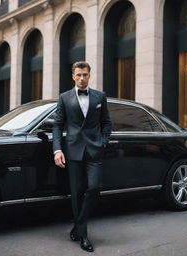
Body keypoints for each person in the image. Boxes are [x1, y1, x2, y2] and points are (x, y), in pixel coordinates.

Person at [53, 61, 112, 252]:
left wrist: (103, 141)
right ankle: (83, 235)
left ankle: (77, 226)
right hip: (72, 152)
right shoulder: (64, 97)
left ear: (89, 75)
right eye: (78, 75)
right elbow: (57, 125)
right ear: (73, 76)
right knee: (76, 194)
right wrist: (57, 149)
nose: (81, 78)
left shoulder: (100, 96)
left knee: (94, 188)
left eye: (85, 74)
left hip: (95, 150)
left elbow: (107, 123)